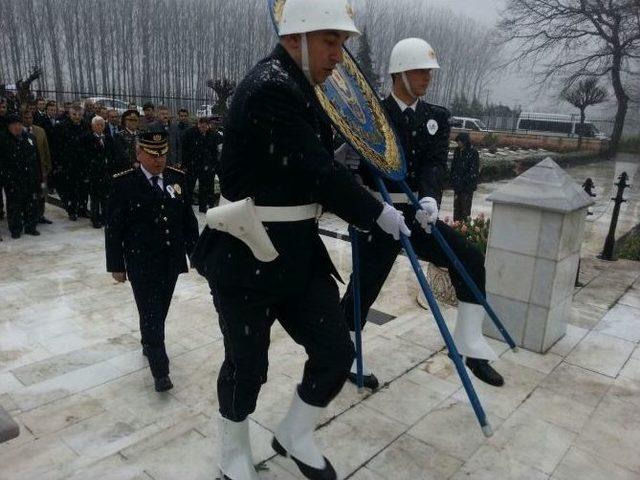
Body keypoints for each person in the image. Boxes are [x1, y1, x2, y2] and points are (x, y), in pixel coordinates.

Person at [192, 1, 410, 478]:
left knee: (335, 352)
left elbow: (316, 166)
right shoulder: (271, 88)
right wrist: (378, 213)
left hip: (296, 251)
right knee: (246, 366)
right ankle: (232, 450)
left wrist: (369, 191)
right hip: (247, 251)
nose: (340, 56)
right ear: (296, 39)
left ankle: (294, 432)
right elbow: (318, 171)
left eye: (342, 43)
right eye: (331, 42)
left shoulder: (302, 84)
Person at [340, 38, 504, 390]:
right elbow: (358, 169)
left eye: (429, 71)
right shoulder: (372, 115)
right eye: (420, 70)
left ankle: (468, 344)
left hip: (417, 213)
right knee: (362, 290)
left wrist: (430, 199)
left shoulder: (437, 117)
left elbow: (433, 163)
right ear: (399, 73)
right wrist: (353, 168)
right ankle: (342, 356)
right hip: (380, 213)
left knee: (469, 258)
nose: (427, 77)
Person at [105, 129, 199, 392]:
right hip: (141, 262)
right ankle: (160, 369)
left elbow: (187, 222)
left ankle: (149, 340)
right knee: (151, 312)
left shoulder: (177, 178)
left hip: (170, 260)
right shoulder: (124, 184)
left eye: (163, 154)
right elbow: (114, 228)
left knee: (160, 309)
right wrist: (116, 265)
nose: (159, 160)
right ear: (139, 153)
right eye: (152, 154)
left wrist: (196, 254)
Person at [0, 114, 41, 238]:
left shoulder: (30, 138)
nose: (17, 127)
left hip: (30, 178)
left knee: (31, 203)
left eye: (19, 124)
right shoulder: (3, 140)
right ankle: (15, 228)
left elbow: (36, 158)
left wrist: (38, 175)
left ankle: (30, 226)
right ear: (8, 127)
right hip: (13, 179)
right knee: (14, 205)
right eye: (14, 125)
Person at [51, 105, 89, 220]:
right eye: (74, 114)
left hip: (83, 162)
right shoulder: (61, 127)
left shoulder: (86, 126)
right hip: (68, 163)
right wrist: (59, 163)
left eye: (79, 115)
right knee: (70, 189)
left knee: (83, 188)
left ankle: (82, 209)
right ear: (69, 114)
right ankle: (72, 210)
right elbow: (56, 147)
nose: (77, 117)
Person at [181, 117, 221, 212]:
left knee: (204, 187)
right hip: (192, 164)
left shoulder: (212, 134)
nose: (203, 129)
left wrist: (214, 165)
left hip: (206, 165)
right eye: (201, 126)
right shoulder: (190, 133)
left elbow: (214, 151)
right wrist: (185, 164)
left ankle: (203, 207)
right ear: (198, 124)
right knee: (190, 186)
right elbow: (185, 150)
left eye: (205, 127)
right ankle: (187, 205)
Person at [22, 110, 53, 225]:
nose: (28, 120)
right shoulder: (19, 132)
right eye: (25, 118)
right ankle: (28, 216)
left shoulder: (40, 131)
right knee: (29, 195)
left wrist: (48, 166)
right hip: (28, 170)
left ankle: (40, 215)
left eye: (30, 118)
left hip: (41, 170)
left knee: (42, 193)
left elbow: (46, 149)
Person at [85, 116, 115, 228]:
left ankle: (105, 218)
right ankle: (95, 219)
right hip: (94, 173)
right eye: (97, 125)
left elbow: (112, 154)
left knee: (105, 198)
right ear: (92, 126)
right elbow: (86, 156)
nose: (100, 127)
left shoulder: (108, 138)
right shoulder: (88, 138)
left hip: (106, 172)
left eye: (102, 125)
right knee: (95, 198)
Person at [451, 132, 480, 221]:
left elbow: (473, 171)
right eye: (457, 141)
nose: (458, 143)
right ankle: (455, 229)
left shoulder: (473, 152)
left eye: (460, 141)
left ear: (464, 141)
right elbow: (454, 166)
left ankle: (463, 230)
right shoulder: (457, 151)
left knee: (465, 210)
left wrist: (463, 181)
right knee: (456, 209)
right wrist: (453, 179)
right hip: (457, 186)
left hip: (467, 187)